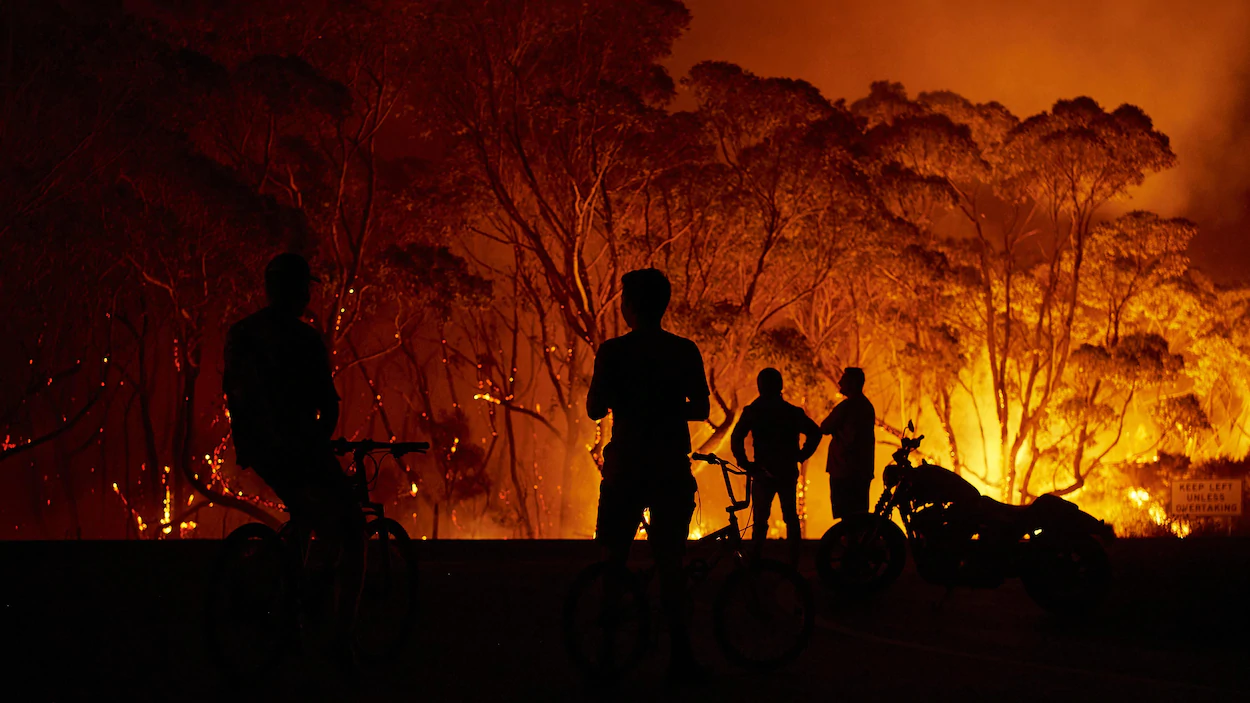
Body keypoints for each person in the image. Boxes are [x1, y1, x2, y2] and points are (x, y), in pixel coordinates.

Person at [222, 252, 364, 668]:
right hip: (300, 447)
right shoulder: (305, 341)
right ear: (301, 292)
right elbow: (327, 406)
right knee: (349, 528)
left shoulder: (241, 334)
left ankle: (286, 590)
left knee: (304, 514)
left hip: (259, 449)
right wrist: (319, 442)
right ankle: (339, 640)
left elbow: (235, 394)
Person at [587, 268, 709, 683]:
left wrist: (627, 401)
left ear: (629, 307)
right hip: (670, 465)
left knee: (613, 558)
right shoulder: (684, 350)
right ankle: (681, 657)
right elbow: (702, 409)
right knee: (671, 561)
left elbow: (593, 409)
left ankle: (607, 655)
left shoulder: (612, 352)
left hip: (626, 466)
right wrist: (667, 407)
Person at [730, 368, 821, 564]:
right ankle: (793, 561)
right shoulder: (791, 412)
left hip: (762, 472)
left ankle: (756, 559)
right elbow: (815, 432)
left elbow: (736, 438)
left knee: (761, 520)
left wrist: (746, 463)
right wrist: (801, 455)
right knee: (790, 516)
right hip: (786, 471)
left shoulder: (754, 411)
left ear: (760, 386)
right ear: (780, 386)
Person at [821, 367, 876, 519]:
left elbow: (825, 427)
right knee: (859, 515)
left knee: (846, 517)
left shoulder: (846, 407)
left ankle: (847, 542)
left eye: (843, 380)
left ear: (852, 383)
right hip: (862, 471)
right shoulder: (867, 407)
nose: (839, 382)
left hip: (843, 470)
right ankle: (860, 542)